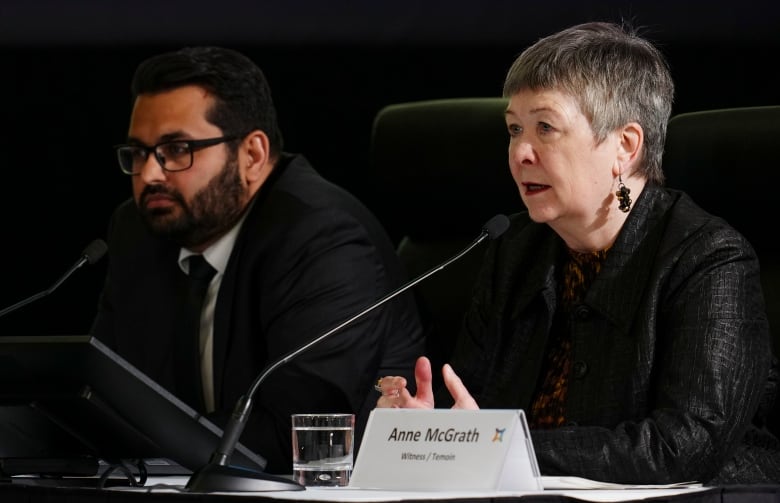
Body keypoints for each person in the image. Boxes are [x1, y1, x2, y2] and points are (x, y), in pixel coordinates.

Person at [376, 22, 780, 484]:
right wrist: (429, 430)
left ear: (625, 146)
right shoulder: (514, 249)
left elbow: (684, 446)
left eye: (545, 128)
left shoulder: (709, 260)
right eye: (513, 129)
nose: (520, 153)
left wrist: (502, 444)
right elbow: (472, 406)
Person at [90, 46, 424, 475]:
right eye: (138, 153)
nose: (151, 174)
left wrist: (137, 446)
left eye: (176, 150)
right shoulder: (140, 230)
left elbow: (296, 427)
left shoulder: (321, 236)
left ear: (251, 155)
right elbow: (103, 391)